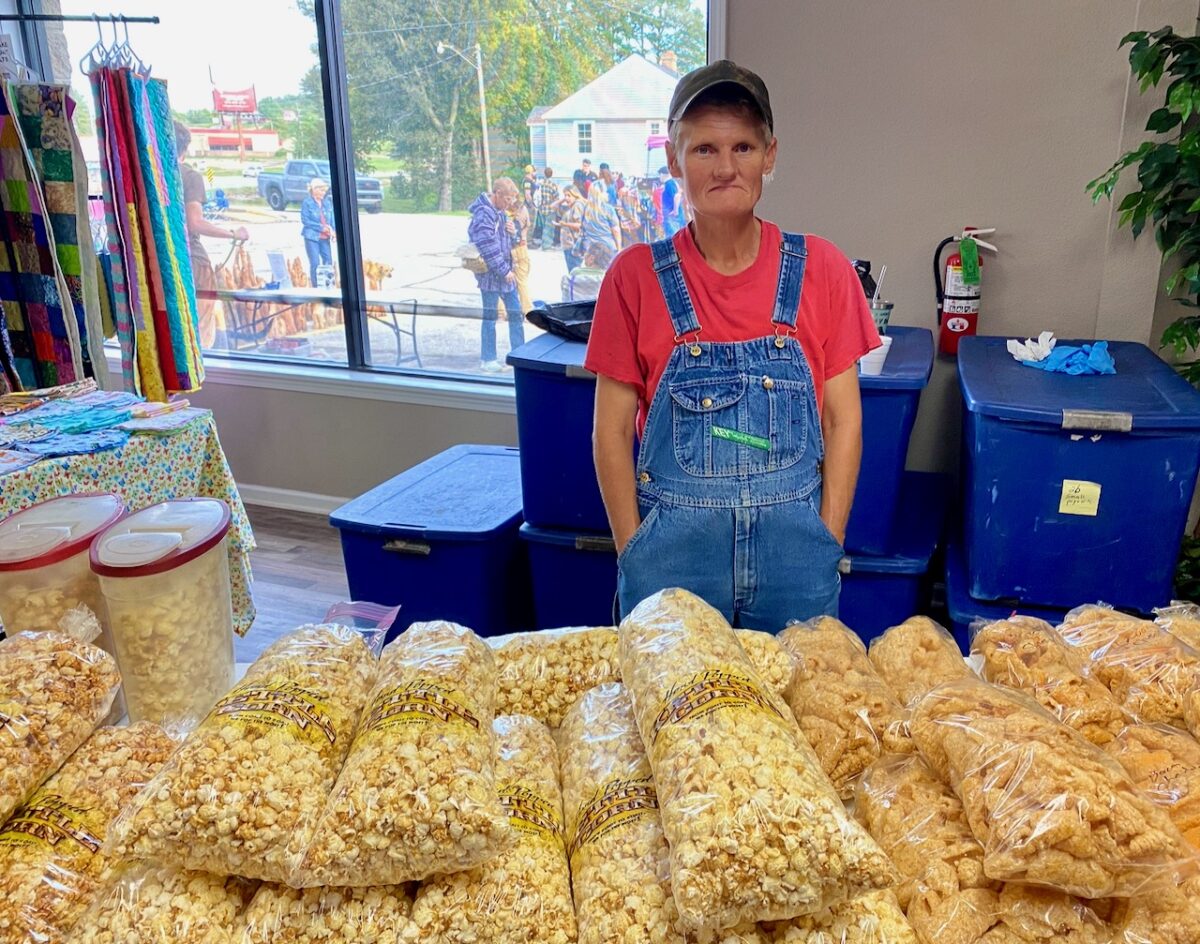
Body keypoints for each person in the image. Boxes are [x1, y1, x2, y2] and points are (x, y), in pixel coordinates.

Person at [586, 60, 880, 627]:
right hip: (672, 569)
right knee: (674, 710)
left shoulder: (822, 268)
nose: (725, 167)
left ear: (770, 155)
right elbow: (611, 431)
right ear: (674, 159)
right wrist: (634, 553)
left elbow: (844, 421)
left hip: (795, 567)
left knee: (795, 708)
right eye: (704, 150)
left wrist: (827, 539)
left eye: (743, 147)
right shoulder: (635, 278)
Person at [173, 121, 247, 349]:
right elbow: (194, 223)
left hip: (158, 262)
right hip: (190, 260)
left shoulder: (146, 176)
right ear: (184, 150)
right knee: (200, 333)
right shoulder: (188, 175)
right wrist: (234, 233)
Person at [468, 178, 526, 372]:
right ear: (497, 194)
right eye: (507, 199)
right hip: (491, 277)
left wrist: (513, 232)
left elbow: (512, 242)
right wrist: (504, 270)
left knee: (516, 314)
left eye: (512, 200)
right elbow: (487, 246)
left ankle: (519, 355)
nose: (510, 204)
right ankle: (488, 359)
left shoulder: (501, 213)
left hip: (506, 275)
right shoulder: (484, 214)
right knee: (490, 318)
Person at [300, 178, 336, 288]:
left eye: (324, 191)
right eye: (321, 190)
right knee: (315, 262)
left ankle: (328, 285)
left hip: (325, 237)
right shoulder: (307, 203)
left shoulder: (327, 203)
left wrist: (334, 231)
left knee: (328, 261)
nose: (323, 193)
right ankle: (316, 287)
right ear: (314, 190)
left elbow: (332, 218)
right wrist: (322, 228)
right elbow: (305, 221)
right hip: (312, 237)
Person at [580, 183, 621, 260]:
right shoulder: (609, 209)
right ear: (601, 194)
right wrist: (619, 248)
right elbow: (616, 230)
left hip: (589, 247)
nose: (607, 194)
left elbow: (582, 226)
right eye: (605, 191)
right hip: (607, 246)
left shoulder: (586, 208)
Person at [508, 196, 534, 317]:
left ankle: (501, 313)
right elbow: (528, 225)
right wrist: (523, 236)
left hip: (508, 249)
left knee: (504, 282)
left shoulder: (503, 211)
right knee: (522, 282)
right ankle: (528, 312)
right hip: (521, 247)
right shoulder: (523, 209)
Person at [554, 184, 585, 271]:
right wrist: (564, 199)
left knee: (574, 274)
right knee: (572, 272)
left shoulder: (577, 205)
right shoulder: (571, 206)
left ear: (575, 195)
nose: (567, 198)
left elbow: (580, 225)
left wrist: (565, 224)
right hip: (568, 245)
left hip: (573, 245)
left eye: (569, 195)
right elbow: (552, 206)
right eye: (565, 195)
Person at [534, 167, 560, 249]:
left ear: (544, 174)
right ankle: (547, 245)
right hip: (550, 208)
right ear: (552, 174)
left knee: (544, 227)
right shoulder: (553, 185)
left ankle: (544, 243)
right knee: (549, 227)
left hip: (542, 208)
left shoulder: (540, 184)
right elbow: (556, 197)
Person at [659, 164, 686, 236]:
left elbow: (677, 196)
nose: (660, 177)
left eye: (660, 175)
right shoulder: (672, 183)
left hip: (673, 218)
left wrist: (675, 210)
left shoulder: (669, 184)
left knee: (673, 239)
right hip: (673, 217)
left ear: (663, 174)